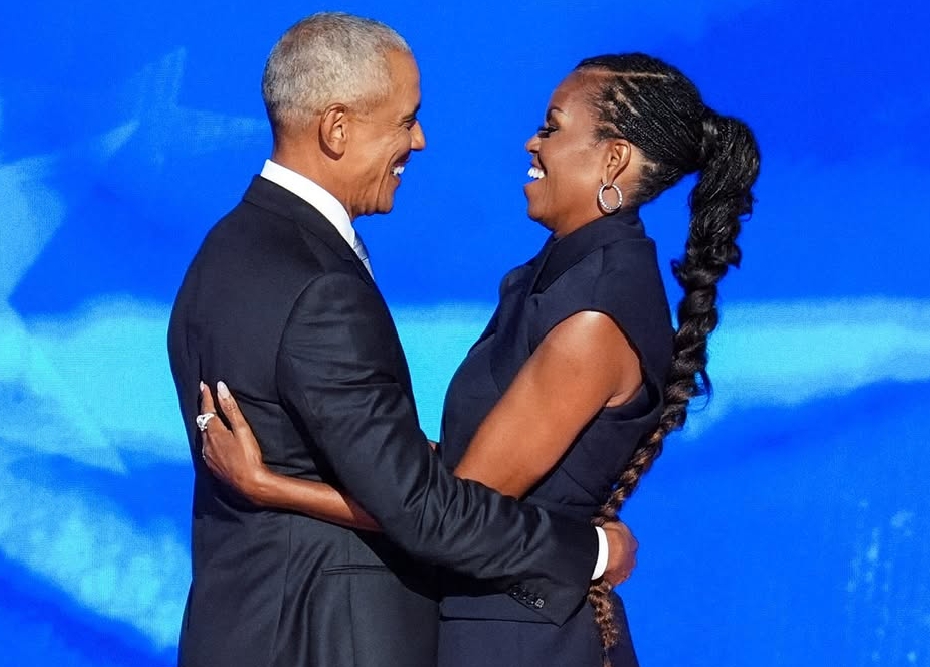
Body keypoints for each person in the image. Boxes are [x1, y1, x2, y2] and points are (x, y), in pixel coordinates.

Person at [197, 51, 761, 667]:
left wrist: (270, 485)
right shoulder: (552, 282)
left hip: (519, 639)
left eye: (551, 127)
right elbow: (455, 479)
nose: (533, 142)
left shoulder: (593, 317)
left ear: (614, 159)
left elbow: (445, 513)